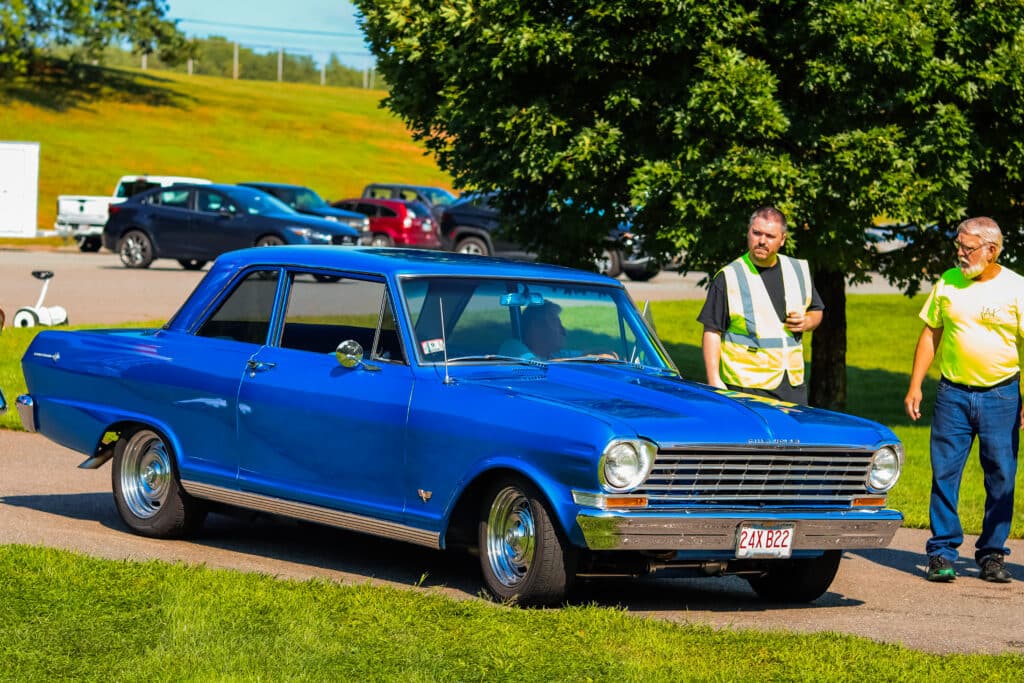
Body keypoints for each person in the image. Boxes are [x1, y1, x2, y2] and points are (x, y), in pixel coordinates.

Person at [904, 216, 1023, 584]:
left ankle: (991, 554)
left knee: (1002, 476)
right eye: (958, 245)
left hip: (1002, 394)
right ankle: (941, 552)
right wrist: (915, 385)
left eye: (967, 248)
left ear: (991, 250)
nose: (960, 253)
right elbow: (930, 334)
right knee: (945, 474)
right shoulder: (947, 283)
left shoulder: (1016, 287)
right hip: (952, 394)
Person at [698, 206, 824, 404]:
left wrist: (807, 322)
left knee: (793, 436)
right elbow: (712, 331)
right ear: (748, 233)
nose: (762, 241)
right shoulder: (729, 277)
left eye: (770, 236)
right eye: (756, 233)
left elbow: (816, 310)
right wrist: (714, 380)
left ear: (782, 239)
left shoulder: (798, 270)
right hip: (746, 387)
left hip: (792, 385)